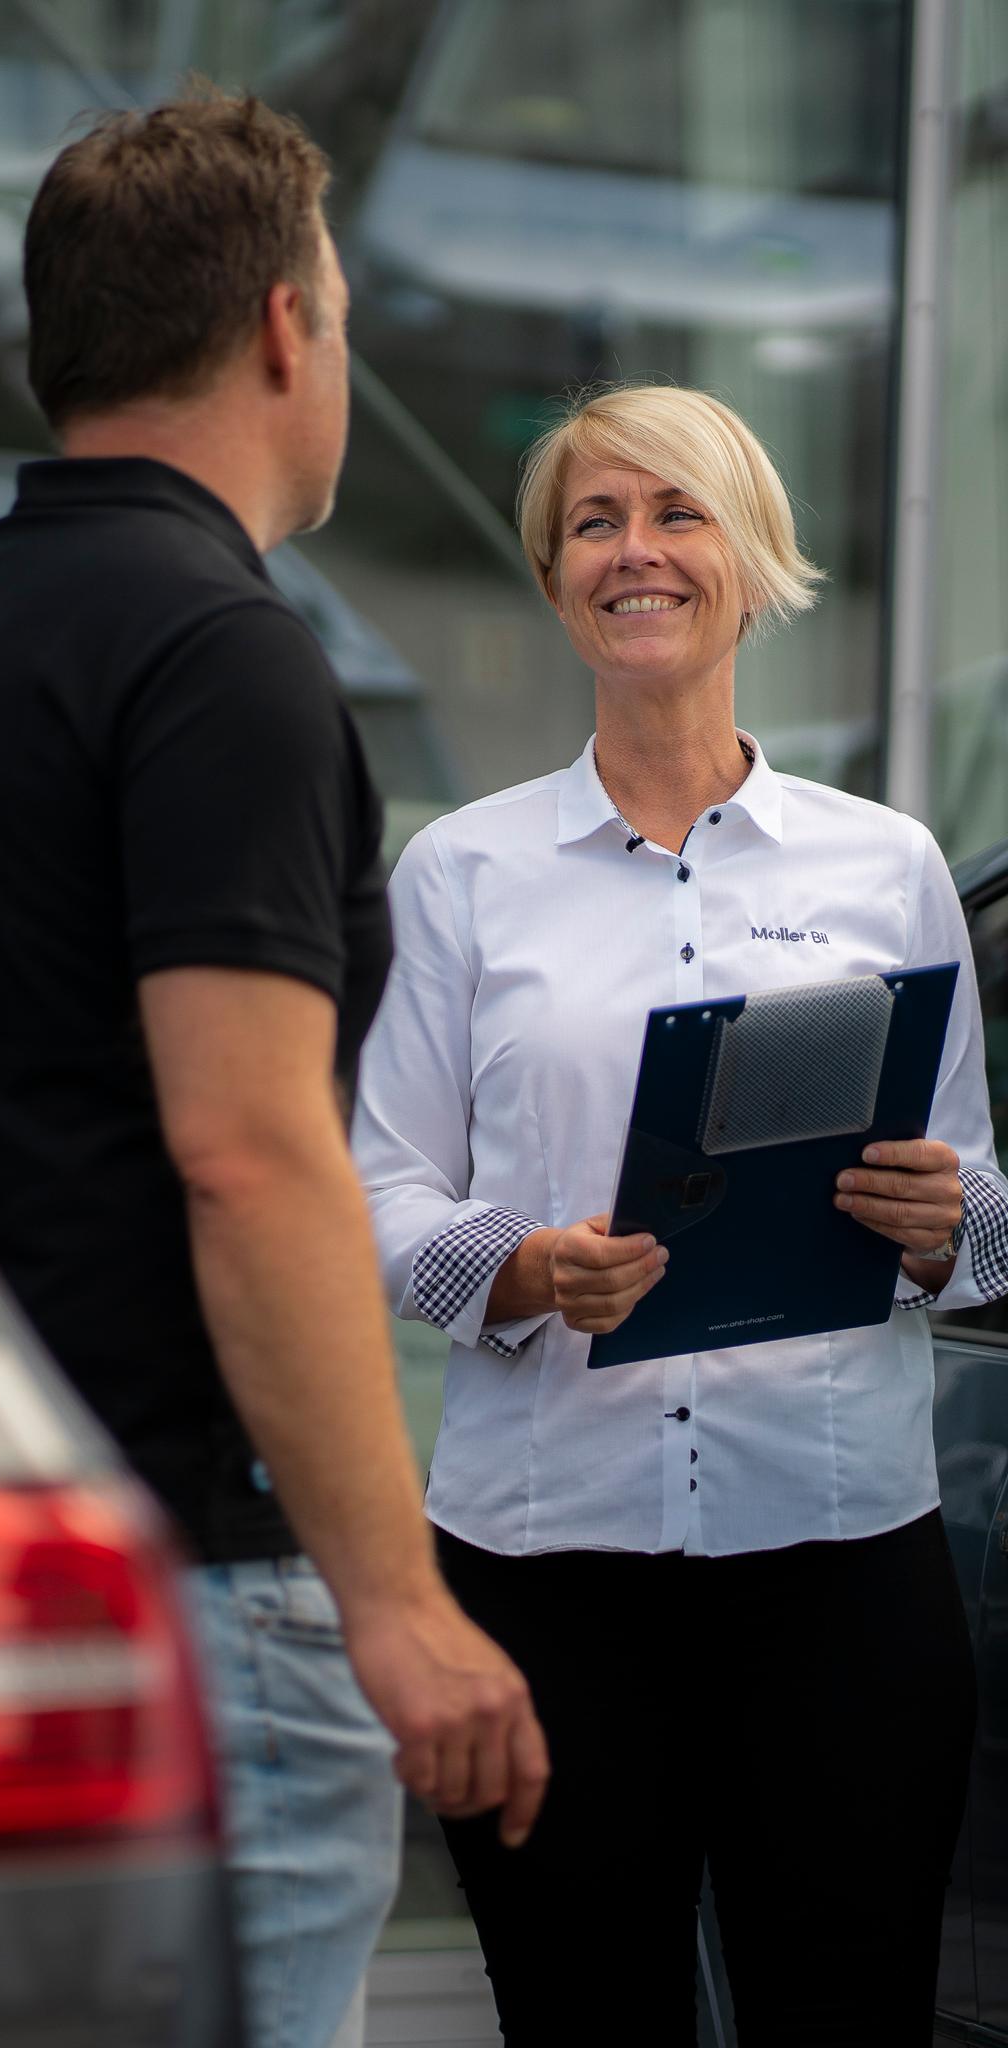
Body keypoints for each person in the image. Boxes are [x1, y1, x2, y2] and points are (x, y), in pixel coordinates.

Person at [0, 88, 546, 2048]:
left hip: (1, 1559)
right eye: (340, 309)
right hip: (195, 1604)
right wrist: (395, 1603)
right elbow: (244, 1147)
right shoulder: (220, 653)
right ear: (282, 333)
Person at [352, 380, 1008, 2044]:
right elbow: (374, 1195)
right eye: (595, 520)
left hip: (844, 1567)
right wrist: (514, 1263)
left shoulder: (887, 867)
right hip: (546, 1575)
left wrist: (943, 1224)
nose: (634, 551)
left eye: (676, 513)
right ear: (556, 574)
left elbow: (985, 1205)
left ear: (751, 556)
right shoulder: (463, 876)